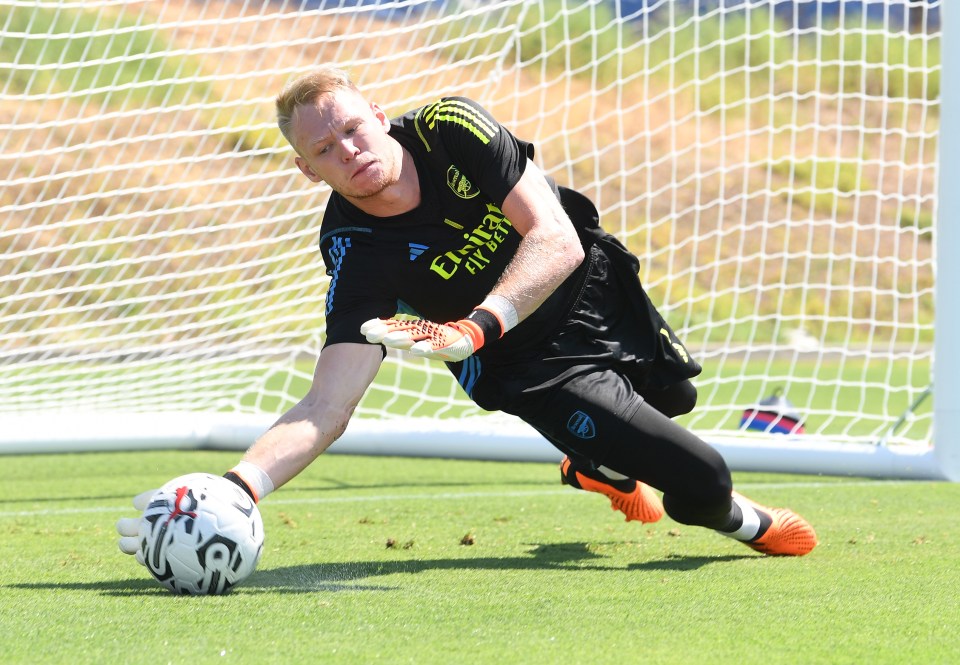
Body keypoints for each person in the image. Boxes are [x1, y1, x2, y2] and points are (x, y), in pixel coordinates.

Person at [118, 66, 816, 560]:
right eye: (325, 150)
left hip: (584, 284)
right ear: (308, 171)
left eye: (355, 129)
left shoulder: (454, 128)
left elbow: (555, 237)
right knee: (702, 475)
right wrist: (239, 486)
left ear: (378, 115)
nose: (351, 151)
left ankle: (594, 461)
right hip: (528, 368)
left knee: (676, 398)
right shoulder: (356, 253)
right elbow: (326, 404)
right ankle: (741, 520)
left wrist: (472, 324)